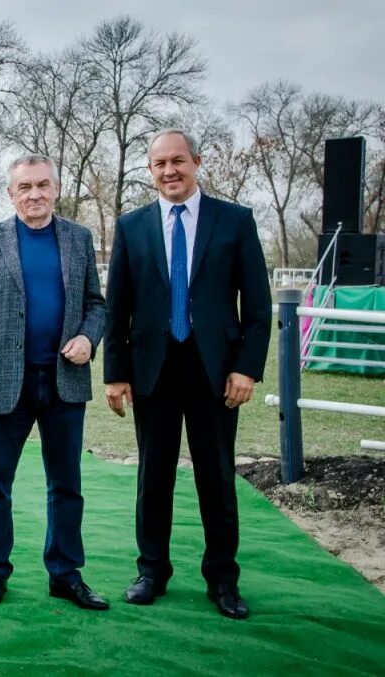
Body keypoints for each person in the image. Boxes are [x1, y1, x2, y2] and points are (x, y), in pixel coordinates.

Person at [104, 128, 272, 620]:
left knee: (216, 478)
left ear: (197, 162)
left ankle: (222, 578)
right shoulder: (132, 226)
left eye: (178, 161)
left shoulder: (234, 221)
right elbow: (118, 309)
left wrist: (246, 368)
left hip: (216, 373)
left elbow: (258, 307)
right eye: (160, 164)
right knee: (152, 478)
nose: (170, 171)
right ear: (150, 170)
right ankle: (151, 571)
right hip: (152, 371)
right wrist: (116, 374)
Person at [0, 155, 108, 610]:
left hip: (64, 382)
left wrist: (87, 336)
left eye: (43, 185)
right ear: (11, 193)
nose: (34, 195)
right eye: (25, 187)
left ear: (55, 189)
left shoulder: (79, 239)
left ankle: (65, 573)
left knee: (66, 485)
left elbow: (97, 305)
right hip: (4, 381)